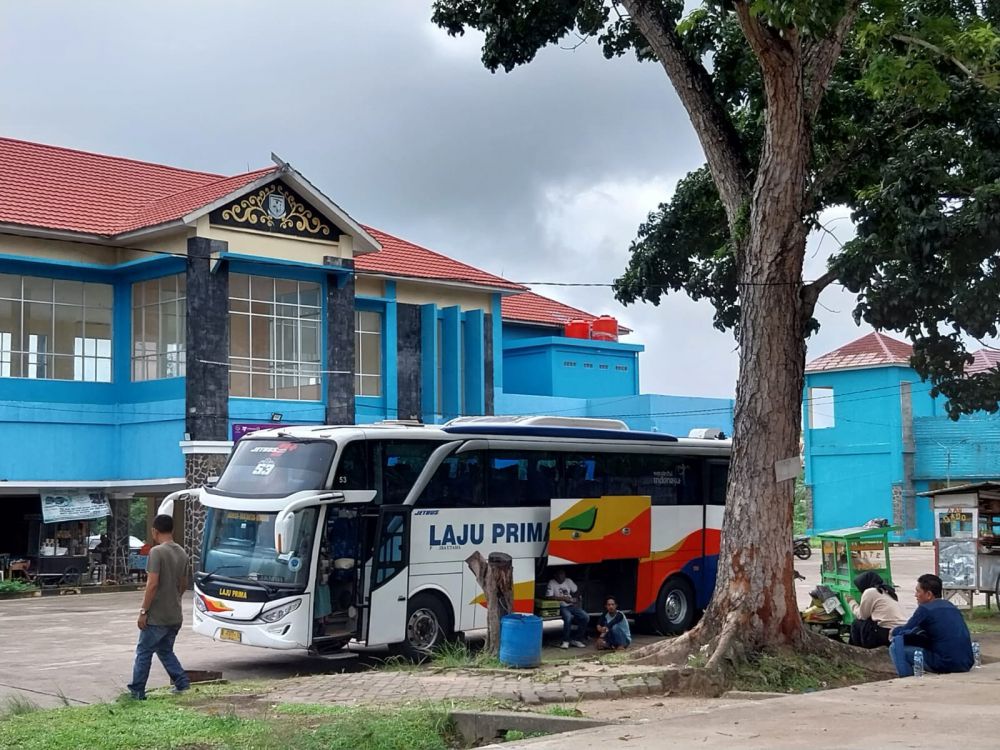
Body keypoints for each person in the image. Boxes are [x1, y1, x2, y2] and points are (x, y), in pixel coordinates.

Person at [126, 514, 190, 699]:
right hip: (174, 615)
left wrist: (143, 611)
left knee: (144, 652)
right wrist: (173, 598)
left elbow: (152, 584)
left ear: (154, 531)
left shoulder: (157, 552)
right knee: (164, 650)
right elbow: (184, 584)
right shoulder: (182, 553)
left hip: (157, 616)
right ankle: (182, 682)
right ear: (172, 530)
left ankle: (137, 691)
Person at [889, 573, 974, 677]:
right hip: (966, 663)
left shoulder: (925, 609)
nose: (915, 595)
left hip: (945, 663)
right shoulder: (951, 606)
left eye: (918, 591)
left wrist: (893, 631)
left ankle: (907, 679)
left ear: (929, 595)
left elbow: (905, 630)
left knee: (895, 646)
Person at [844, 571, 907, 648]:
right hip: (901, 629)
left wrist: (851, 602)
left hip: (887, 632)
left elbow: (862, 615)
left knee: (856, 624)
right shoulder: (886, 590)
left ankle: (857, 651)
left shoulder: (870, 591)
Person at [546, 569, 588, 648]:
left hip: (571, 605)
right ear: (555, 576)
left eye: (563, 575)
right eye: (559, 575)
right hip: (560, 606)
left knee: (585, 617)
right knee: (568, 618)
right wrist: (563, 599)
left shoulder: (568, 581)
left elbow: (577, 591)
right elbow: (549, 597)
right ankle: (566, 641)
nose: (561, 577)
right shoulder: (552, 582)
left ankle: (577, 639)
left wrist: (576, 598)